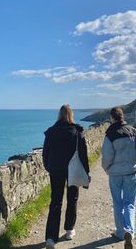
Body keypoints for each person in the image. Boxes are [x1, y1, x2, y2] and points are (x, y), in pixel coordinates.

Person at [42, 104, 90, 249]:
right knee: (72, 198)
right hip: (73, 169)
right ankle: (69, 230)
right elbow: (83, 155)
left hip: (55, 169)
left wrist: (48, 167)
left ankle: (51, 237)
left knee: (55, 201)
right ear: (70, 115)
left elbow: (45, 153)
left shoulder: (51, 132)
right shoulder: (76, 132)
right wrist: (87, 173)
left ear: (59, 115)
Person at [102, 106, 136, 249]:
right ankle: (130, 231)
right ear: (122, 116)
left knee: (117, 202)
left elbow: (107, 156)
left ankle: (120, 233)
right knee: (129, 203)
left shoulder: (109, 134)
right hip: (131, 172)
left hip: (115, 174)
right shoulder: (132, 130)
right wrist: (135, 156)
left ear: (112, 118)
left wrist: (106, 168)